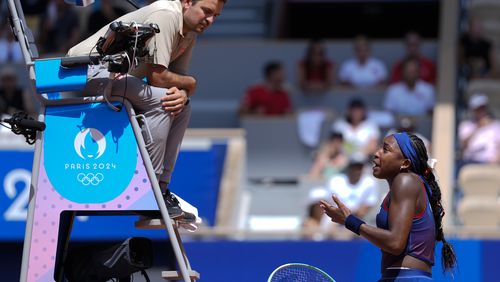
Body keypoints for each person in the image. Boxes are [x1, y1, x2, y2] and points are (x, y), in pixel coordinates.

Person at [67, 0, 226, 219]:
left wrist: (183, 93)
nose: (209, 20)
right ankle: (145, 190)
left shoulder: (189, 32)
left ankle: (160, 188)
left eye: (215, 16)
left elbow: (174, 82)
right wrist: (190, 84)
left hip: (117, 78)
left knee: (181, 106)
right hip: (83, 72)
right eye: (206, 12)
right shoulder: (166, 15)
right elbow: (158, 77)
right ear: (187, 3)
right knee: (162, 103)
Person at [320, 132, 457, 280]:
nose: (376, 153)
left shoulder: (405, 181)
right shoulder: (407, 185)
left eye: (385, 150)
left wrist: (350, 221)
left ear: (405, 163)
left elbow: (395, 242)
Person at [327, 153, 378, 220]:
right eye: (354, 166)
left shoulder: (370, 182)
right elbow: (329, 202)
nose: (356, 170)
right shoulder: (336, 181)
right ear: (349, 166)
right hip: (337, 217)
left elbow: (367, 206)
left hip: (359, 219)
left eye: (359, 166)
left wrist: (347, 213)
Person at [458, 93, 500, 164]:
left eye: (482, 108)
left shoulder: (496, 125)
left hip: (489, 162)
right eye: (477, 109)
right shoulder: (466, 125)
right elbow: (463, 145)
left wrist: (495, 162)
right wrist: (478, 127)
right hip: (470, 161)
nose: (480, 111)